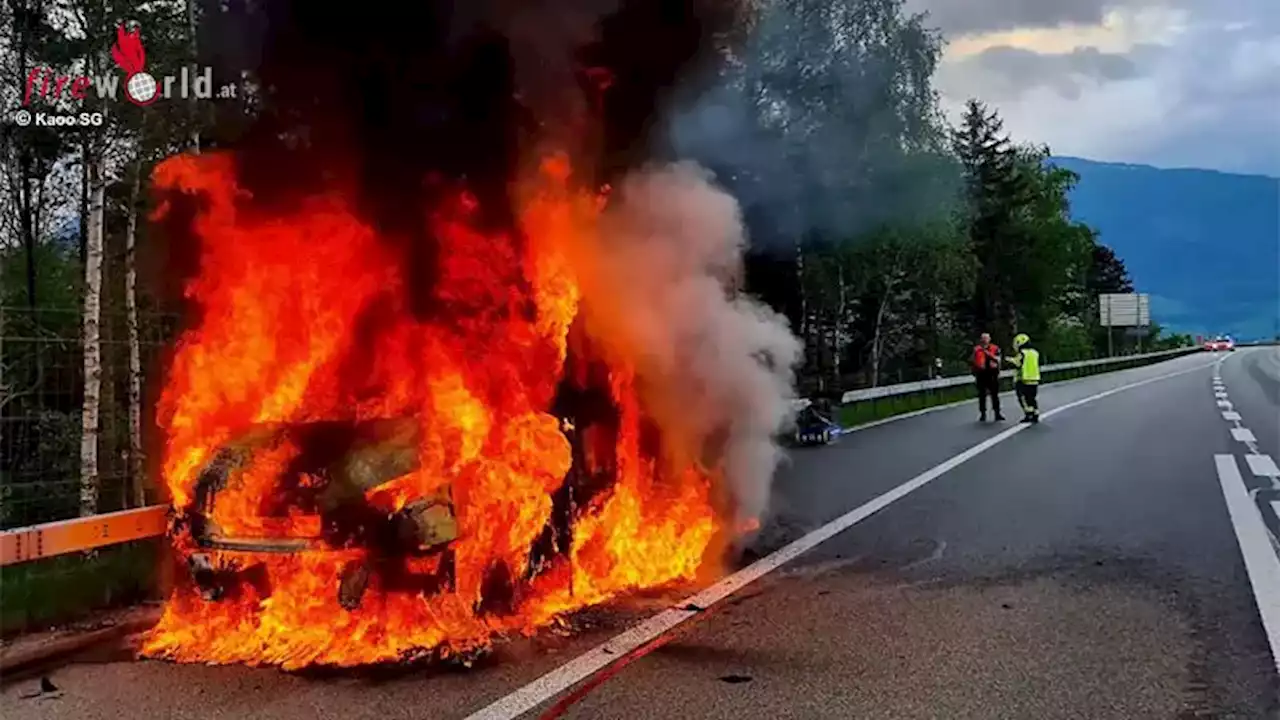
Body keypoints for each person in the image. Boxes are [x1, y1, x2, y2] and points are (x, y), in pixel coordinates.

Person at [1005, 332, 1041, 423]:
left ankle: (1028, 414)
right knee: (1032, 398)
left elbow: (1018, 363)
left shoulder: (1022, 353)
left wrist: (1008, 360)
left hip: (1023, 379)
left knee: (1023, 398)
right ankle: (1035, 413)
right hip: (1035, 378)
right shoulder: (1035, 352)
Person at [972, 332, 1004, 422]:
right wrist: (974, 371)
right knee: (982, 395)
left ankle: (997, 413)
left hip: (992, 374)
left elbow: (999, 359)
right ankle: (983, 414)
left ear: (990, 339)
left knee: (995, 395)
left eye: (986, 338)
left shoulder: (995, 348)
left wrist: (998, 370)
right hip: (981, 374)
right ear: (981, 339)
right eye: (983, 338)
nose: (985, 340)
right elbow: (973, 361)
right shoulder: (977, 349)